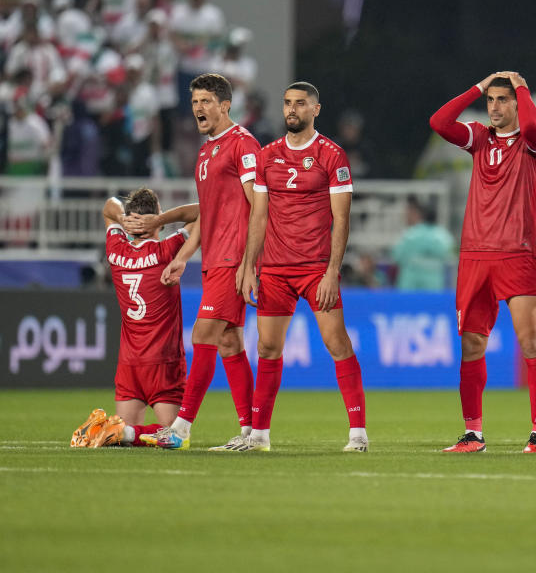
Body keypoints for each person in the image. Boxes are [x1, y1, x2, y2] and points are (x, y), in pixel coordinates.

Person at [131, 73, 261, 450]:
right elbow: (208, 212)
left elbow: (260, 206)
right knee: (230, 342)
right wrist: (185, 256)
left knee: (203, 335)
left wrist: (249, 262)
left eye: (206, 101)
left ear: (225, 105)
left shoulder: (244, 145)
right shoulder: (207, 152)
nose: (198, 109)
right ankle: (252, 432)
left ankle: (181, 429)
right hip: (213, 257)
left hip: (233, 257)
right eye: (194, 103)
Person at [236, 81, 368, 452]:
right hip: (275, 269)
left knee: (336, 343)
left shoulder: (332, 155)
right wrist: (249, 266)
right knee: (267, 348)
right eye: (287, 103)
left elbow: (341, 219)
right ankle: (259, 436)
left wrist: (331, 272)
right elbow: (258, 216)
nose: (292, 109)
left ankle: (358, 434)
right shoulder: (268, 155)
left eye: (300, 104)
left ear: (315, 110)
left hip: (315, 269)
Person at [429, 71, 536, 453]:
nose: (495, 107)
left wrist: (523, 86)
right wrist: (477, 87)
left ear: (517, 102)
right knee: (471, 345)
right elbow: (439, 122)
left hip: (515, 254)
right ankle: (473, 434)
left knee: (530, 340)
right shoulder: (480, 139)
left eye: (503, 99)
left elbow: (531, 125)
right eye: (491, 100)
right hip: (474, 257)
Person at [71, 189, 198, 448]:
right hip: (164, 363)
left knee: (122, 434)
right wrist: (161, 221)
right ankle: (125, 433)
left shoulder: (115, 250)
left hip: (129, 363)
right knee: (173, 435)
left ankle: (117, 431)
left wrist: (124, 218)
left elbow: (109, 206)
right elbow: (206, 212)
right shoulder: (168, 250)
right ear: (157, 217)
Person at [391, 196, 455, 291]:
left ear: (422, 216)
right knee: (432, 305)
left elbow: (396, 257)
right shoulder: (444, 237)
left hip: (409, 286)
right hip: (434, 286)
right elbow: (451, 257)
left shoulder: (409, 235)